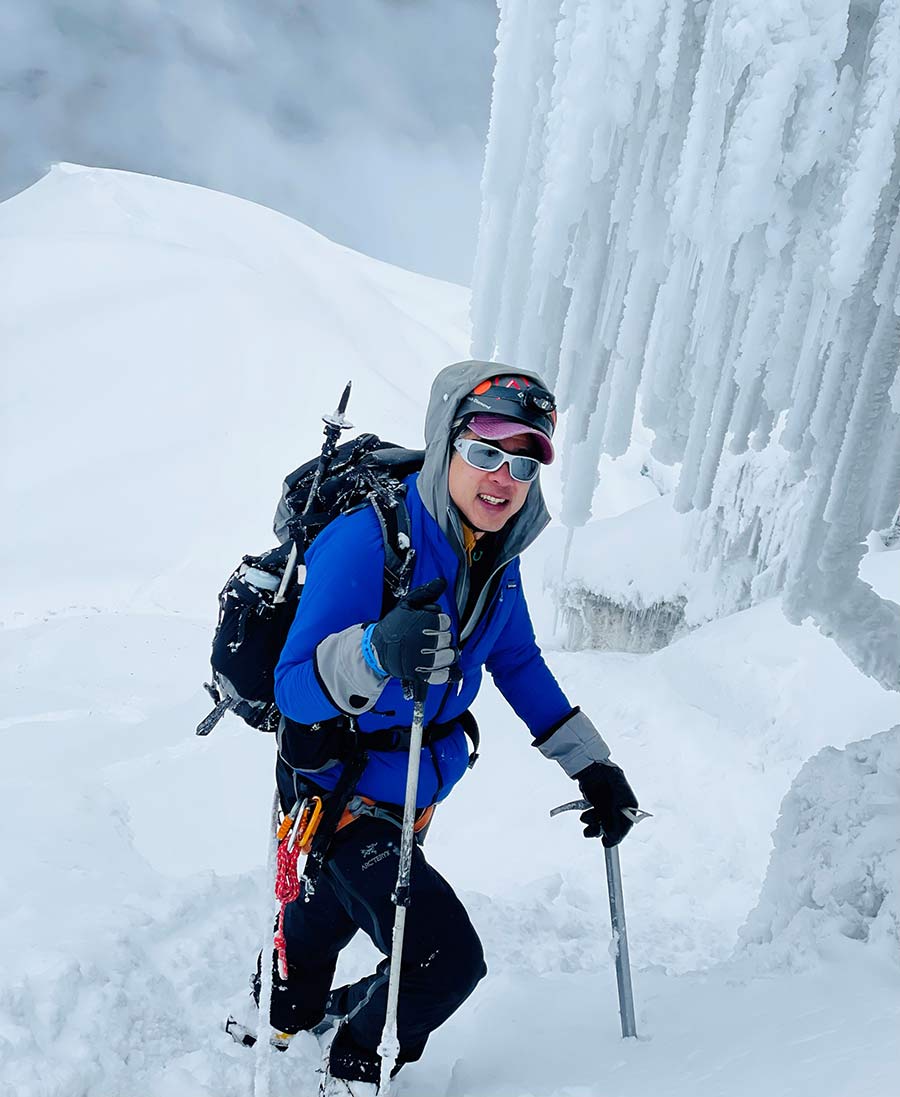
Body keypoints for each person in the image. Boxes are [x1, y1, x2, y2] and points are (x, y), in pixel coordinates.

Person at [264, 360, 639, 1096]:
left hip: (410, 793)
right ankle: (349, 1071)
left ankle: (288, 1004)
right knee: (442, 958)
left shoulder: (495, 556)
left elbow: (519, 663)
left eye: (526, 459)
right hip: (336, 791)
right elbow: (292, 689)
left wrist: (591, 766)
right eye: (486, 449)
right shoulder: (367, 541)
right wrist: (377, 649)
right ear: (447, 442)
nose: (503, 476)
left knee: (317, 939)